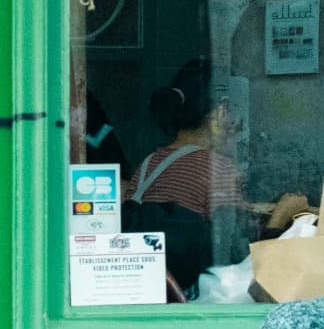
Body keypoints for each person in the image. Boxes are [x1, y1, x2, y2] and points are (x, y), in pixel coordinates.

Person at [127, 59, 308, 290]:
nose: (235, 124)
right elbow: (234, 258)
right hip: (194, 296)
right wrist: (281, 217)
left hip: (148, 291)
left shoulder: (146, 166)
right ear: (220, 114)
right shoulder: (217, 169)